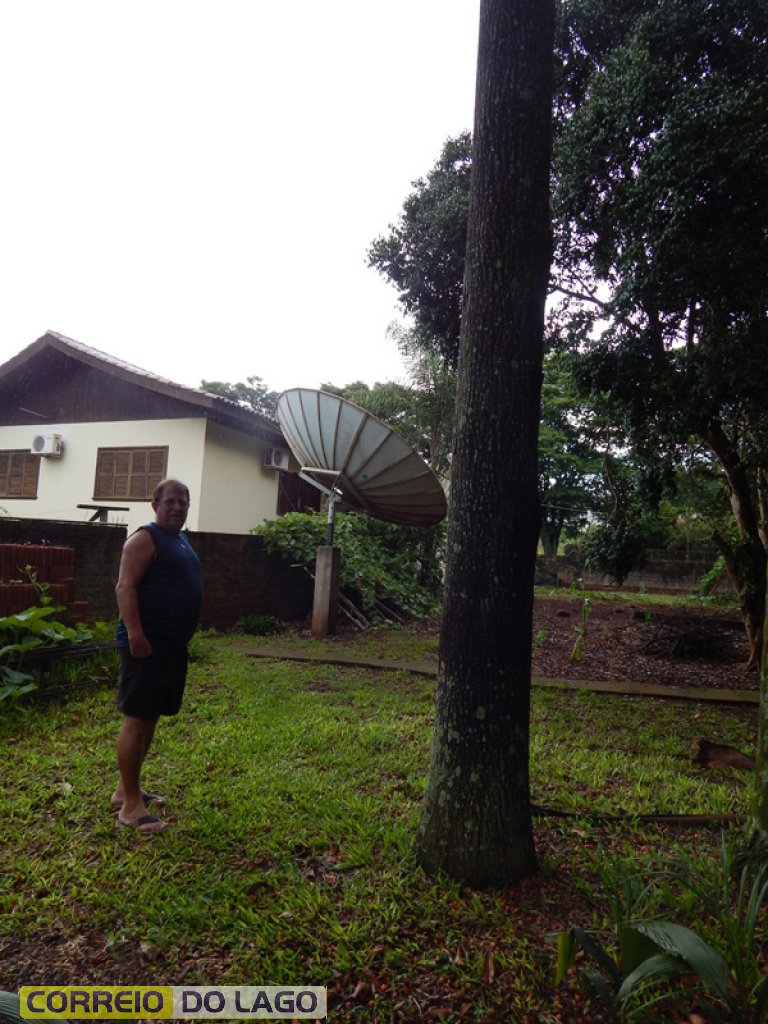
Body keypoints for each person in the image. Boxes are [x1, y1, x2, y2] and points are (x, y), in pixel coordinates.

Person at [112, 478, 202, 833]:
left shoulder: (180, 540)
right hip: (146, 645)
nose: (177, 507)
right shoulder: (144, 539)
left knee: (150, 718)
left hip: (170, 647)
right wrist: (135, 635)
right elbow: (125, 587)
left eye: (183, 502)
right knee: (137, 718)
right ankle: (130, 809)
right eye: (170, 502)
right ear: (155, 505)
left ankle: (125, 790)